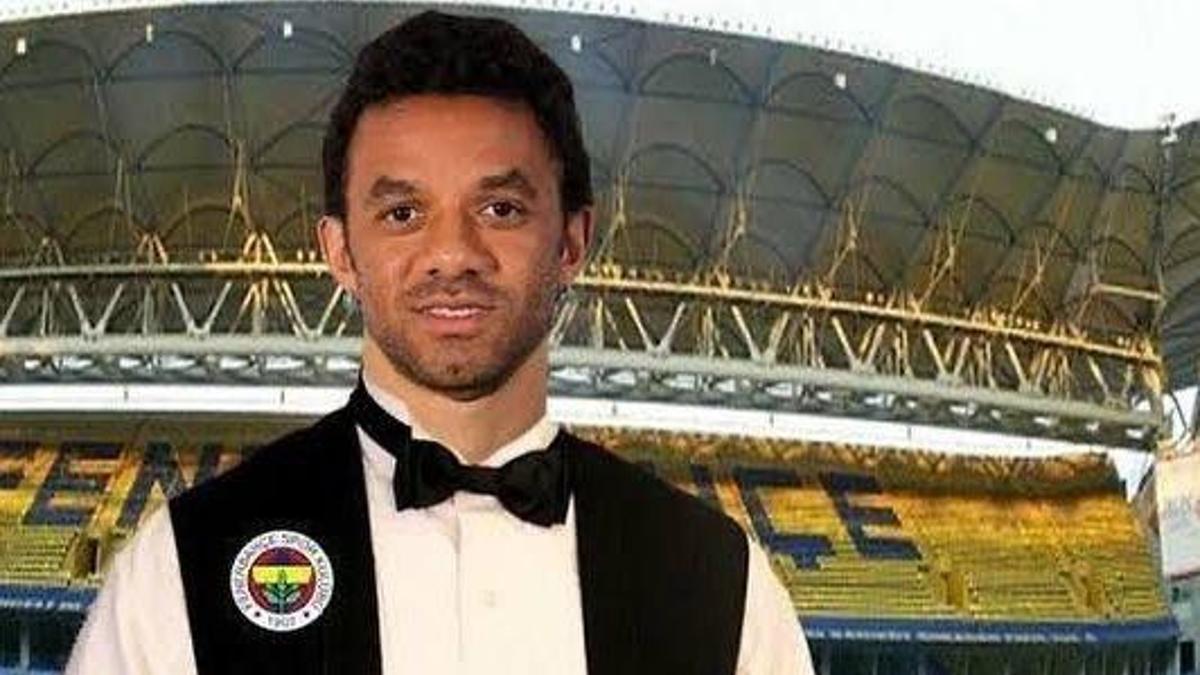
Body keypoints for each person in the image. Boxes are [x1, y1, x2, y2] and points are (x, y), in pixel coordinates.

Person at [66, 10, 815, 674]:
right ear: (340, 251)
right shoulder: (180, 570)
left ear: (571, 241)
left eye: (500, 208)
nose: (452, 253)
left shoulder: (721, 584)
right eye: (402, 213)